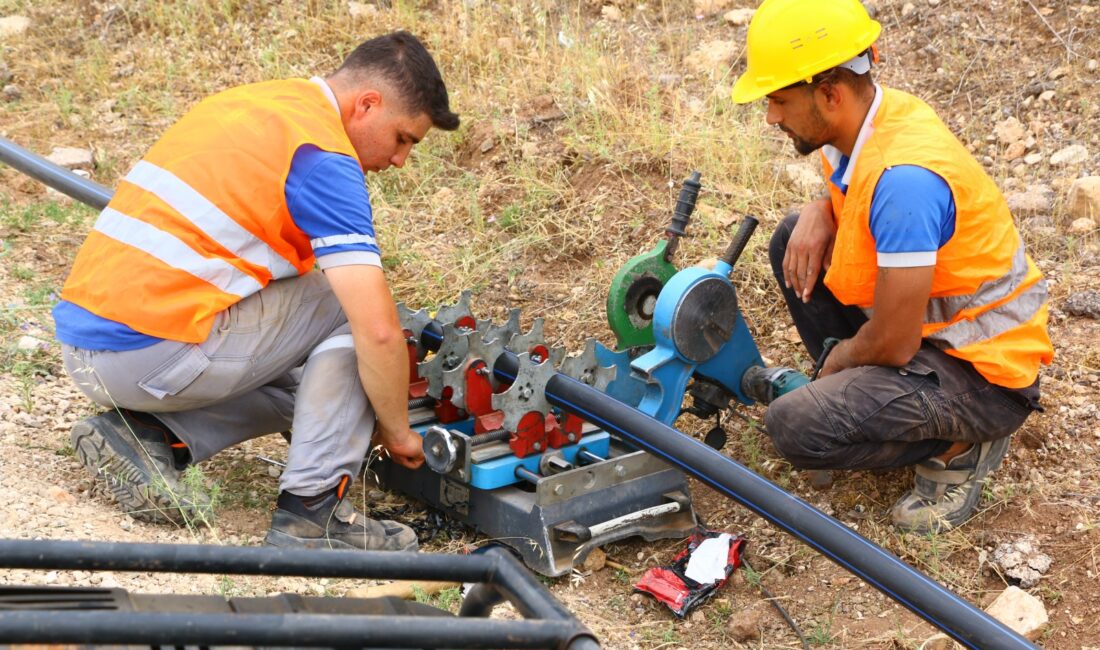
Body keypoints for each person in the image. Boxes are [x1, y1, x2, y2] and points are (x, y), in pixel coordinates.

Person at [53, 31, 459, 551]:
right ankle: (313, 516)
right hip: (146, 351)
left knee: (319, 387)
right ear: (368, 105)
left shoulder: (254, 104)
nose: (400, 159)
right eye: (404, 138)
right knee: (349, 316)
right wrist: (398, 431)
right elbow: (377, 331)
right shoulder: (324, 159)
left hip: (92, 346)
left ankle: (149, 434)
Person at [730, 0, 1053, 533]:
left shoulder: (905, 180)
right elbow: (853, 192)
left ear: (830, 93)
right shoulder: (870, 120)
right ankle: (869, 400)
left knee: (792, 427)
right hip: (929, 338)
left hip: (985, 376)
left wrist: (841, 361)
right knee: (792, 236)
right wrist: (818, 208)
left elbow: (896, 343)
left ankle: (962, 445)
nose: (771, 116)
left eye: (780, 100)